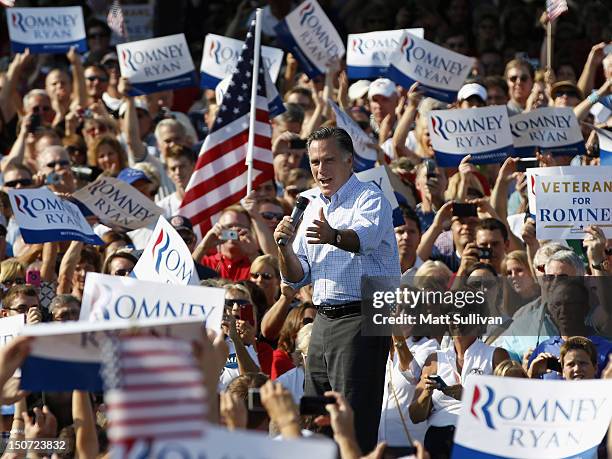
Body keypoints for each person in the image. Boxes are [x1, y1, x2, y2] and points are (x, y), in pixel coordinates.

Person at [274, 126, 400, 453]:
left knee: (352, 419)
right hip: (322, 321)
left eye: (328, 160)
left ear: (349, 161)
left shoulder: (370, 198)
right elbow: (297, 277)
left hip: (362, 317)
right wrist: (284, 249)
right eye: (314, 162)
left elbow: (363, 240)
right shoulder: (311, 205)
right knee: (317, 417)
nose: (320, 169)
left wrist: (332, 235)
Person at [271, 303, 316, 380]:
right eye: (308, 321)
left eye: (318, 322)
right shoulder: (279, 359)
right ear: (293, 323)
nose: (314, 325)